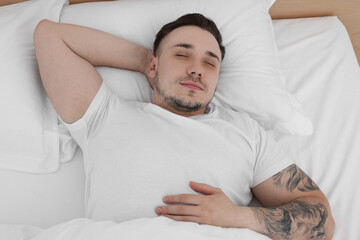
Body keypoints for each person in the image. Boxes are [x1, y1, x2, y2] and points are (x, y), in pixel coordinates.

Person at [34, 13, 335, 239]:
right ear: (153, 65)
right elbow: (49, 36)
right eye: (182, 54)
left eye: (210, 62)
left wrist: (239, 217)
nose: (196, 69)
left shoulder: (245, 132)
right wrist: (148, 62)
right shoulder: (105, 115)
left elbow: (322, 219)